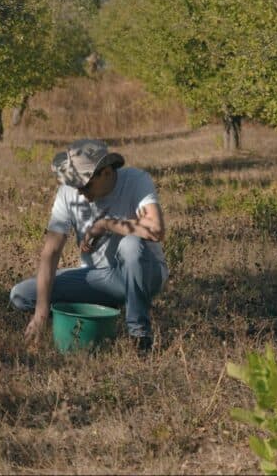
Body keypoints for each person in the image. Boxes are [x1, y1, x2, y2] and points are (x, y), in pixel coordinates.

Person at [10, 138, 168, 351]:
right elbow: (51, 251)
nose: (80, 191)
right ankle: (98, 312)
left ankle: (139, 335)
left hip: (146, 273)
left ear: (107, 173)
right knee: (22, 294)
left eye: (85, 184)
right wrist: (40, 314)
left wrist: (105, 224)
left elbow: (156, 229)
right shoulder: (68, 193)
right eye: (75, 184)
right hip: (100, 279)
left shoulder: (136, 180)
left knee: (130, 245)